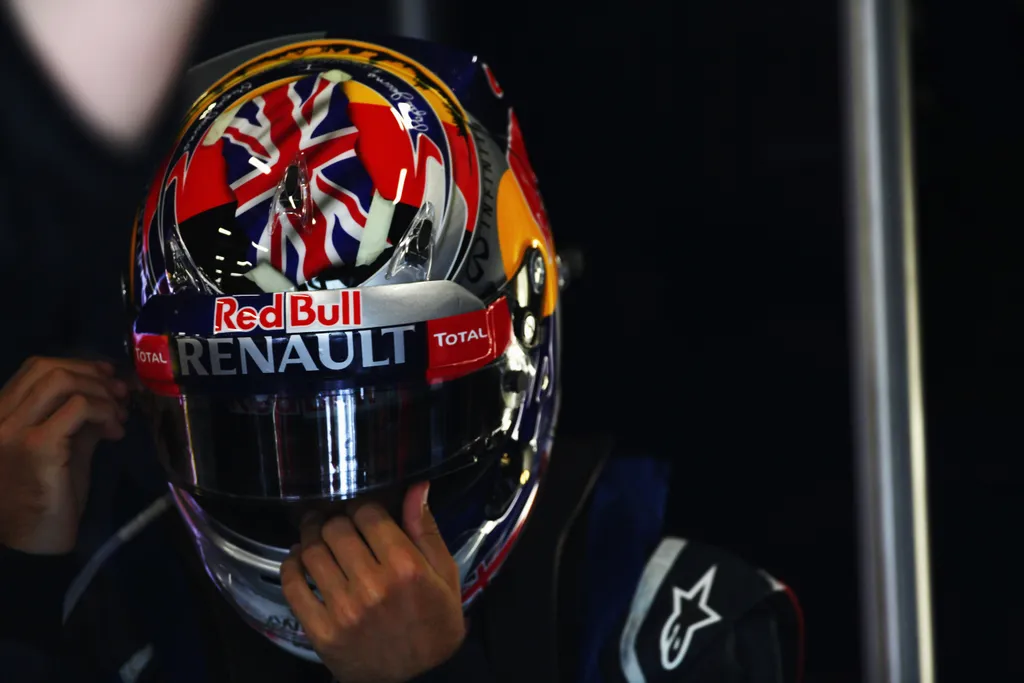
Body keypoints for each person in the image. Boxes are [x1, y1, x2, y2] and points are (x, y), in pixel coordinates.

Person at [0, 3, 803, 680]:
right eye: (260, 440)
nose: (328, 514)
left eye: (379, 430)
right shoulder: (122, 602)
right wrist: (20, 575)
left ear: (509, 352)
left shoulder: (675, 623)